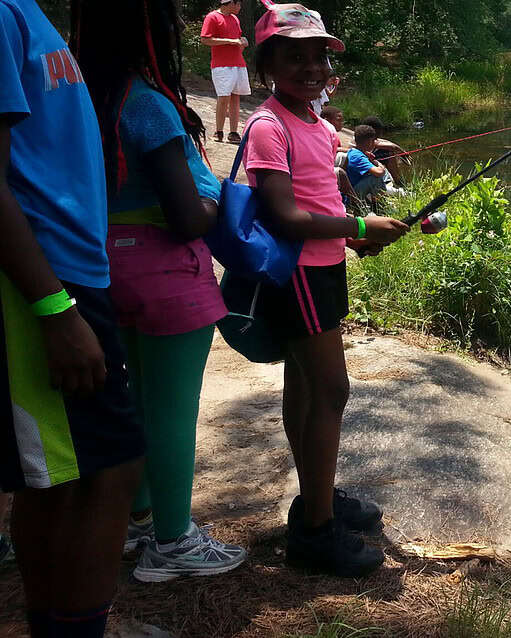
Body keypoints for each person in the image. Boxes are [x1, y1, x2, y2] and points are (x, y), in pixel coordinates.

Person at [71, 0, 247, 582]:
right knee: (172, 412)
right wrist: (214, 195)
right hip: (168, 280)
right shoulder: (147, 105)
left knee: (137, 399)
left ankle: (141, 518)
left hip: (106, 270)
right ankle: (174, 542)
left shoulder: (83, 97)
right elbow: (186, 219)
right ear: (152, 34)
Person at [245, 3, 408, 577]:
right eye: (295, 55)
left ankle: (316, 494)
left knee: (308, 387)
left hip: (325, 266)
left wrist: (355, 237)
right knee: (332, 392)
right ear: (266, 63)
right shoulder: (268, 125)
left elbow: (323, 202)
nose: (311, 66)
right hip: (301, 275)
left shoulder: (314, 123)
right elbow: (287, 217)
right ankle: (315, 530)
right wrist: (361, 226)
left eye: (319, 55)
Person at [0, 1, 146, 635]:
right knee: (105, 472)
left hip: (71, 273)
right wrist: (54, 308)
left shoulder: (27, 11)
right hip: (43, 280)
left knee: (60, 479)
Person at [200, 0, 250, 143]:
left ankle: (233, 133)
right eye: (238, 4)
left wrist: (243, 43)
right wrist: (229, 41)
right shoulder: (213, 17)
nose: (240, 7)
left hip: (238, 63)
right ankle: (219, 131)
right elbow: (205, 39)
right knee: (224, 97)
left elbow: (237, 42)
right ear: (230, 4)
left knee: (235, 97)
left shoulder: (235, 19)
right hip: (221, 65)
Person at [344, 125, 394, 201]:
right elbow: (379, 172)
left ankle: (378, 201)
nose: (375, 143)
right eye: (373, 140)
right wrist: (377, 163)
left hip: (356, 188)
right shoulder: (357, 156)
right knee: (375, 178)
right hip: (352, 196)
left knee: (376, 175)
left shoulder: (356, 152)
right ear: (368, 141)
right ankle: (381, 205)